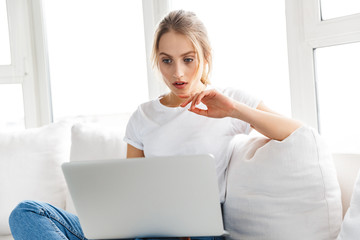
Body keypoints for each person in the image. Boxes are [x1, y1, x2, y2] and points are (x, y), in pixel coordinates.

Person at [8, 10, 302, 240]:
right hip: (144, 229)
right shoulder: (143, 116)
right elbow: (134, 190)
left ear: (205, 57)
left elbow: (295, 132)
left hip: (197, 231)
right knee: (26, 213)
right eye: (166, 61)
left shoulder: (231, 100)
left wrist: (235, 110)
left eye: (188, 59)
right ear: (156, 61)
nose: (178, 72)